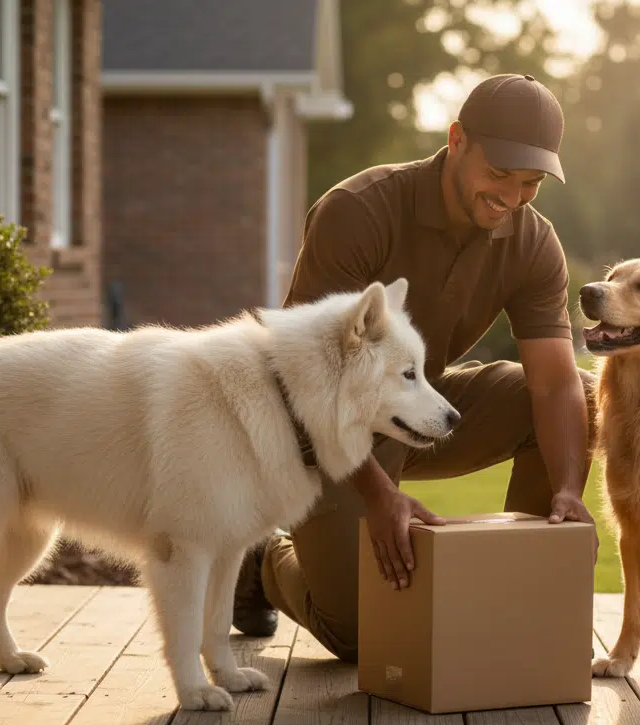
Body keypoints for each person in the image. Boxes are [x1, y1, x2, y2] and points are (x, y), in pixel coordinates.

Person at [232, 73, 599, 662]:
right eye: (499, 173)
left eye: (530, 183)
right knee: (361, 633)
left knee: (584, 392)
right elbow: (310, 376)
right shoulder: (359, 211)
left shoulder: (533, 242)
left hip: (414, 409)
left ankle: (519, 588)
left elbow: (554, 385)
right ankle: (262, 561)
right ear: (457, 140)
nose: (512, 197)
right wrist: (380, 498)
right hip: (316, 429)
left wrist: (568, 491)